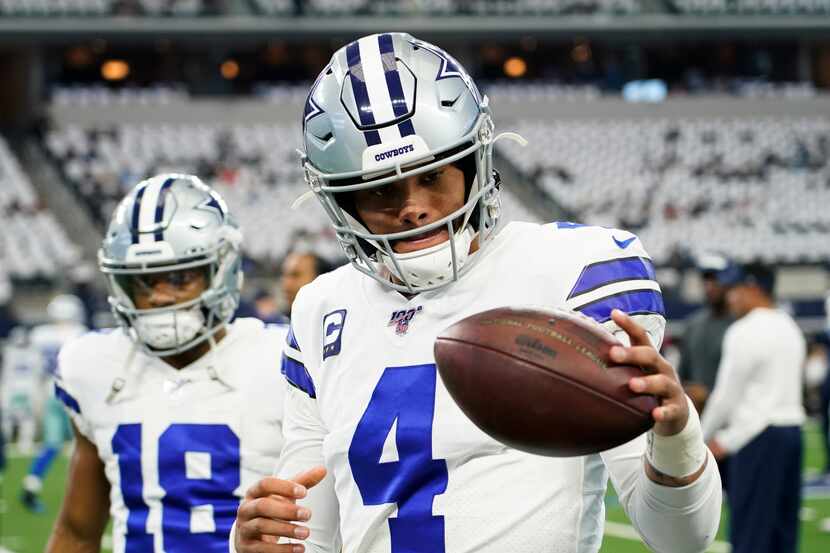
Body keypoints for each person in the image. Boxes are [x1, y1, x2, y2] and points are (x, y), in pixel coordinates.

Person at [232, 33, 721, 553]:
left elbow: (680, 537)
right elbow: (311, 534)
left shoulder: (574, 270)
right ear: (342, 201)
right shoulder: (321, 309)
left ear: (475, 162)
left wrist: (676, 438)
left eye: (433, 176)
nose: (413, 207)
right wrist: (261, 541)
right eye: (381, 190)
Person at [45, 174, 289, 552]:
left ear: (220, 270)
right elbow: (77, 532)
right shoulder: (95, 367)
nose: (158, 298)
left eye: (178, 278)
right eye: (142, 282)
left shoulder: (286, 360)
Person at [702, 262, 805, 553]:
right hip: (792, 435)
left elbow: (726, 396)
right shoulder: (790, 326)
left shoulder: (743, 330)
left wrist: (702, 440)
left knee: (751, 534)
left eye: (734, 290)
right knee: (783, 535)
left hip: (758, 439)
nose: (730, 298)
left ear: (753, 289)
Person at [20, 294, 88, 512]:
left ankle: (32, 483)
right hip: (72, 392)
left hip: (49, 391)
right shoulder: (80, 334)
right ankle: (86, 497)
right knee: (85, 446)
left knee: (52, 444)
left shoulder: (41, 335)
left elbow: (36, 366)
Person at [678, 252, 734, 414]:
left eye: (715, 280)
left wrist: (708, 395)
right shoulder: (693, 325)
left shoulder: (741, 326)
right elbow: (683, 376)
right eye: (706, 280)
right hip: (698, 418)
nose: (709, 286)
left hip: (731, 419)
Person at [279, 251, 333, 317]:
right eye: (285, 275)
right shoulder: (276, 321)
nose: (286, 284)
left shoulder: (341, 322)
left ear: (319, 279)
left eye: (295, 275)